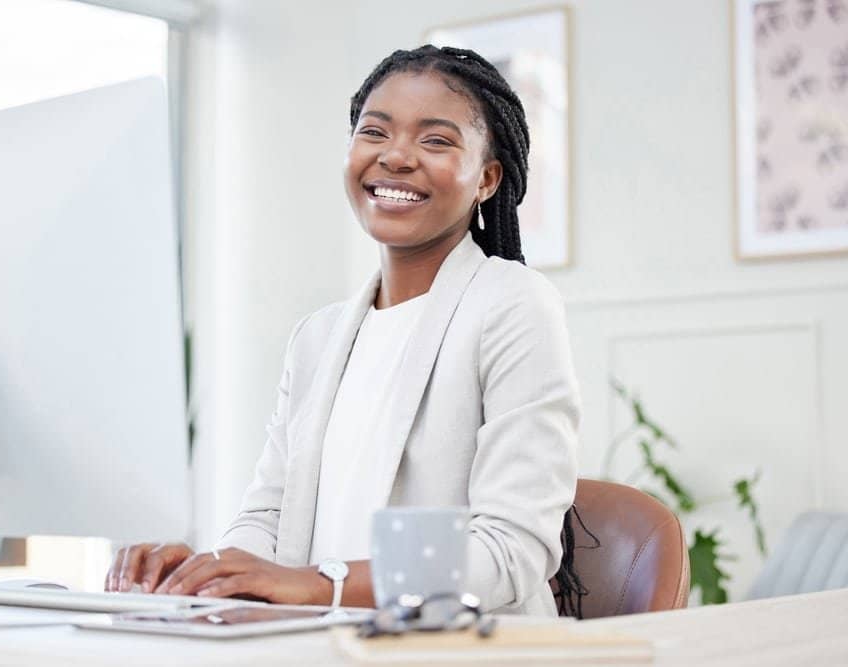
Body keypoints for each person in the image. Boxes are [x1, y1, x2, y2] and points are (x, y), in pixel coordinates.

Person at [106, 45, 581, 616]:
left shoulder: (512, 305)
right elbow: (270, 518)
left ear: (486, 179)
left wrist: (318, 584)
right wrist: (206, 574)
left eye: (435, 140)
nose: (396, 157)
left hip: (456, 649)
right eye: (374, 132)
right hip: (321, 643)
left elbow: (508, 550)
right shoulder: (318, 337)